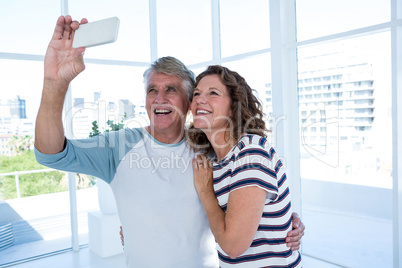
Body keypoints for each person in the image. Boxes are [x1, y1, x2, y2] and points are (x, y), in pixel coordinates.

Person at [34, 15, 304, 268]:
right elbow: (51, 153)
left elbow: (250, 207)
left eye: (171, 90)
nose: (159, 98)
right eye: (153, 90)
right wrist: (54, 83)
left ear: (189, 104)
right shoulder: (118, 147)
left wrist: (287, 224)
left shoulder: (211, 149)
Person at [189, 65, 302, 267]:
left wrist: (206, 192)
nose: (199, 99)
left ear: (234, 107)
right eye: (196, 93)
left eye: (213, 93)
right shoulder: (214, 161)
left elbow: (233, 246)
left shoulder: (250, 152)